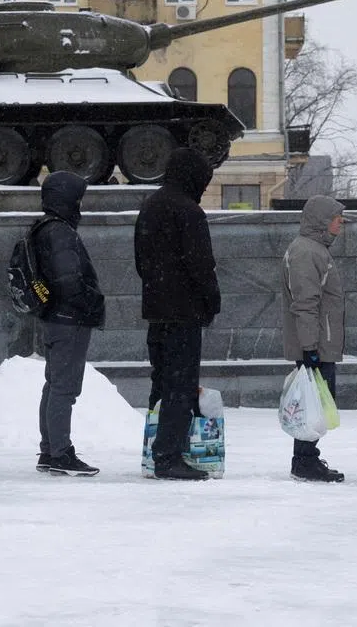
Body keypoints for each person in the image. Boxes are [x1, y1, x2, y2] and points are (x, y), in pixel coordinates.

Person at [134, 146, 220, 481]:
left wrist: (158, 291)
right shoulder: (189, 212)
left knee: (162, 381)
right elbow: (202, 265)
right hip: (184, 312)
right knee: (180, 385)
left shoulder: (150, 206)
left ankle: (155, 450)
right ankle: (168, 456)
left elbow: (142, 262)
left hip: (157, 310)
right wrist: (211, 301)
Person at [30, 171, 105, 477]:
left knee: (55, 384)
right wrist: (92, 302)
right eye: (77, 199)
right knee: (64, 388)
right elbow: (68, 280)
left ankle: (51, 449)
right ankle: (59, 452)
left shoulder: (45, 227)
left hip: (55, 318)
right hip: (68, 319)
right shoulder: (60, 231)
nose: (80, 205)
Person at [282, 195, 346, 483]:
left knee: (317, 404)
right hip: (316, 344)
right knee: (313, 405)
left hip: (320, 342)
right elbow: (305, 303)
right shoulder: (307, 252)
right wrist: (310, 347)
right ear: (322, 221)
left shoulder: (315, 249)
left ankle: (307, 457)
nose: (340, 224)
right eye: (336, 218)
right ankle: (304, 460)